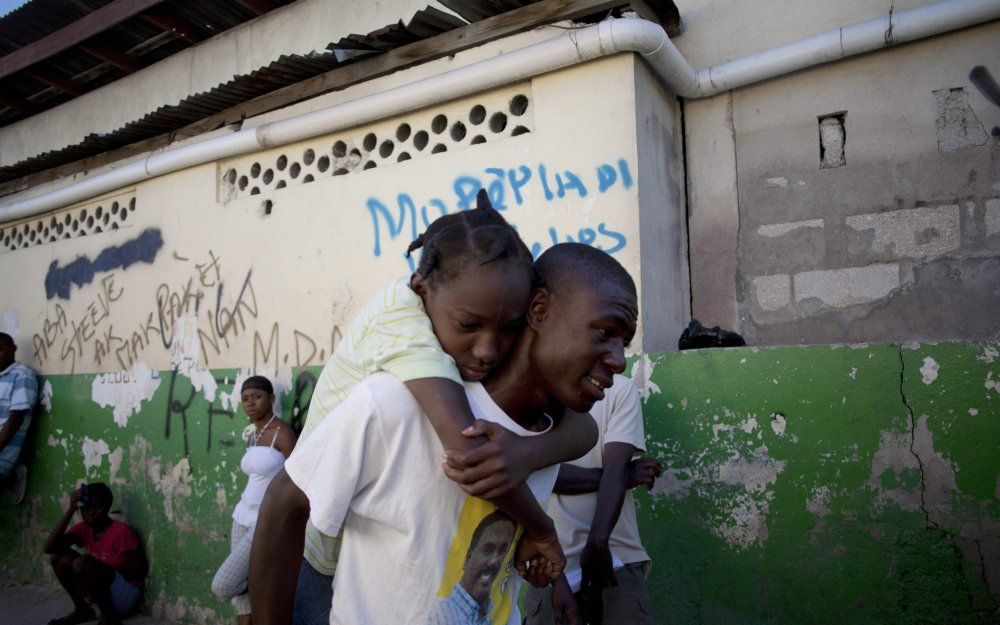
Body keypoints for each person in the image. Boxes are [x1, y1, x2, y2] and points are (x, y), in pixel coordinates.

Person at [250, 242, 639, 625]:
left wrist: (525, 551)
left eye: (626, 341)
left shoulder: (543, 437)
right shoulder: (396, 402)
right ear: (539, 310)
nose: (620, 359)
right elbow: (285, 504)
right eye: (606, 331)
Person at [523, 375, 662, 625]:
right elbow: (532, 473)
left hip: (616, 559)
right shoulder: (534, 390)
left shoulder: (619, 389)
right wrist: (618, 476)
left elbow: (614, 466)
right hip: (549, 566)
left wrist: (599, 542)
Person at [212, 376, 296, 625]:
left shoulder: (283, 434)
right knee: (243, 601)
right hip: (241, 515)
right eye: (245, 399)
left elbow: (298, 478)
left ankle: (266, 583)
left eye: (257, 397)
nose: (250, 403)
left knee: (224, 586)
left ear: (271, 399)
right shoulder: (253, 435)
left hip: (264, 517)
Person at [44, 482, 146, 625]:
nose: (90, 512)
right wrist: (71, 508)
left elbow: (136, 571)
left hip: (124, 596)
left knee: (84, 563)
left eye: (97, 507)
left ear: (107, 507)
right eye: (85, 508)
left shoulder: (121, 532)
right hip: (97, 595)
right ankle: (82, 610)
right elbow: (49, 548)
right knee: (59, 557)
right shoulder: (83, 529)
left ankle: (109, 617)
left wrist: (98, 573)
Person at [0, 331, 38, 504]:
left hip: (3, 452)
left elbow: (16, 418)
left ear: (13, 349)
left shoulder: (22, 376)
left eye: (0, 350)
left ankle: (12, 476)